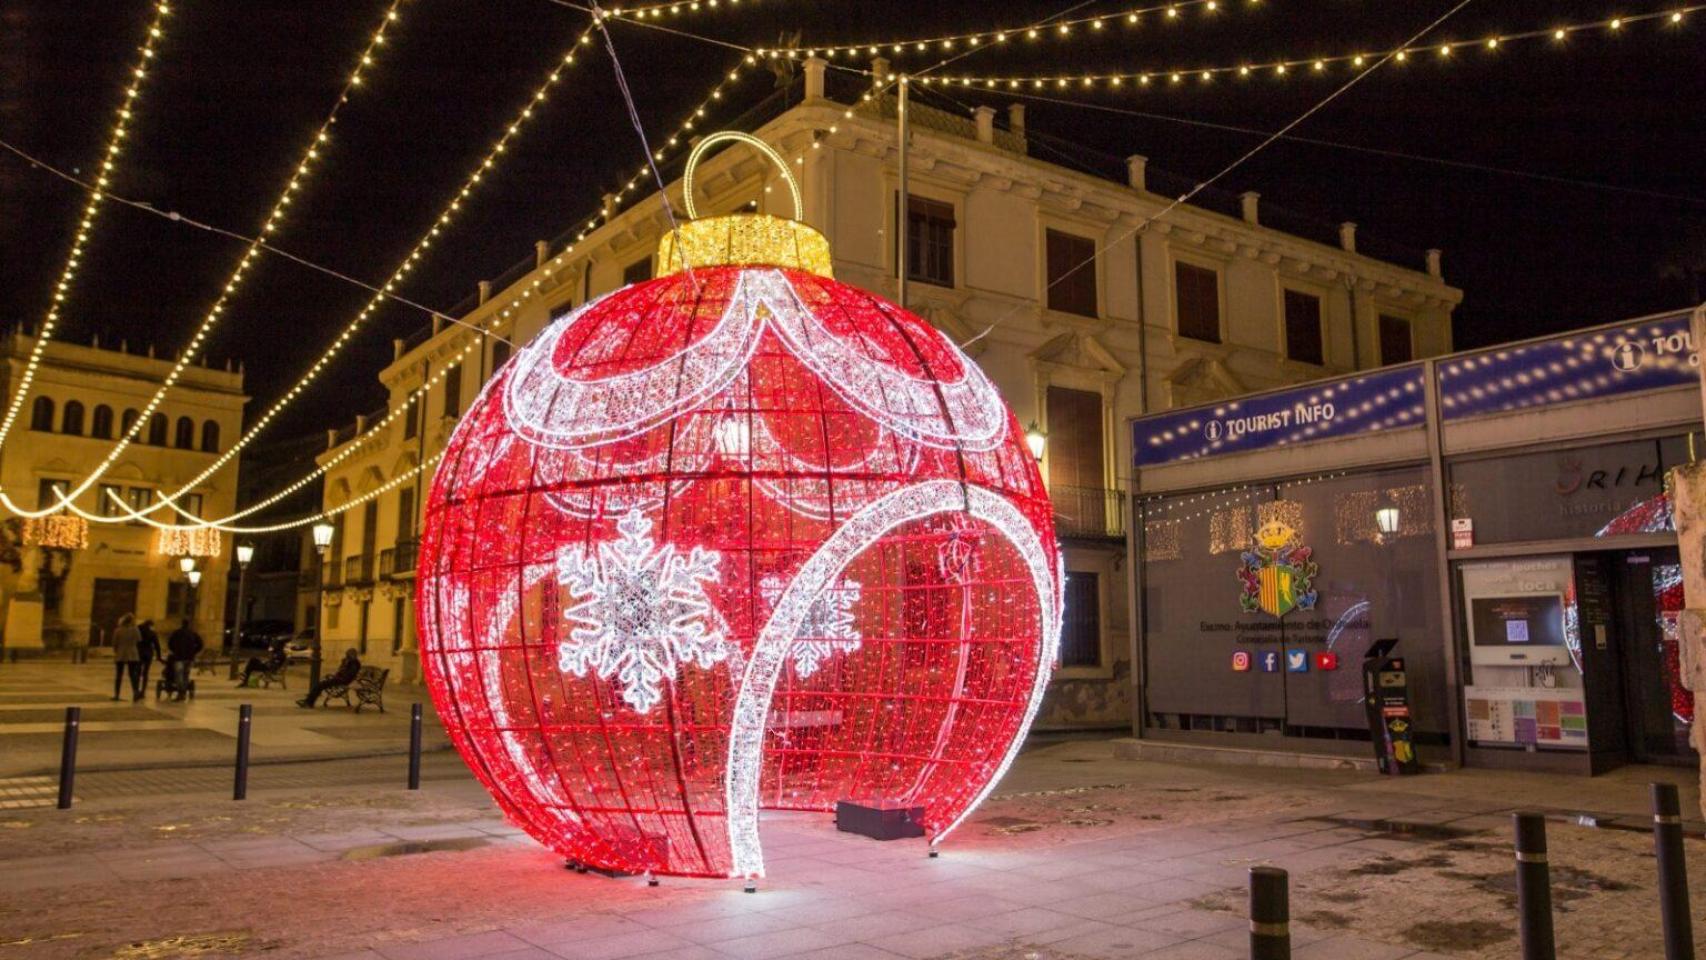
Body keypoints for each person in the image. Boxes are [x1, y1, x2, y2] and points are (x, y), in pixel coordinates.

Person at [164, 619, 203, 702]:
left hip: (179, 657)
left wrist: (175, 650)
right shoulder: (193, 633)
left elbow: (170, 644)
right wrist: (194, 651)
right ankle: (183, 693)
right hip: (189, 658)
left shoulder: (176, 633)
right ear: (188, 625)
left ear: (181, 624)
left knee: (179, 676)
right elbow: (200, 644)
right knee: (185, 676)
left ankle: (181, 693)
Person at [110, 614, 142, 701]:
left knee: (119, 675)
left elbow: (114, 643)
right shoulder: (135, 630)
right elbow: (139, 640)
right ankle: (135, 692)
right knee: (132, 675)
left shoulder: (118, 630)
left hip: (121, 654)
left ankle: (117, 694)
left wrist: (116, 651)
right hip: (132, 653)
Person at [136, 620, 162, 694]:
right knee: (145, 673)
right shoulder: (152, 633)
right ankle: (143, 690)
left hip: (139, 653)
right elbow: (157, 645)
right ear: (150, 625)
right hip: (148, 653)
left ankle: (136, 689)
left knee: (138, 671)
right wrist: (158, 656)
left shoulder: (138, 631)